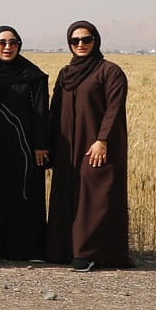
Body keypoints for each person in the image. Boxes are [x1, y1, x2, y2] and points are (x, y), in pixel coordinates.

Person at [46, 20, 130, 271]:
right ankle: (63, 249)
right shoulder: (66, 73)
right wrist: (49, 144)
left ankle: (90, 252)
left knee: (96, 195)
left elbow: (114, 109)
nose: (80, 45)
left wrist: (102, 140)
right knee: (67, 192)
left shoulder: (109, 71)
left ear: (96, 41)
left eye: (86, 40)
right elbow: (55, 110)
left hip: (97, 145)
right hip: (68, 147)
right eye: (75, 41)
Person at [0, 25, 49, 261]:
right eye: (1, 43)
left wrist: (41, 145)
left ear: (19, 45)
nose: (7, 47)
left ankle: (26, 248)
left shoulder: (33, 75)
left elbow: (41, 112)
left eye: (13, 42)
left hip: (23, 148)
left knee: (24, 195)